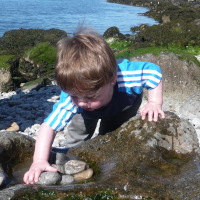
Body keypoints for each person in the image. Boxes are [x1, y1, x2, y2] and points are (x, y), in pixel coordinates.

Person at [23, 27, 165, 184]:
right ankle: (72, 159)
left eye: (90, 96)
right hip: (84, 115)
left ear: (112, 79)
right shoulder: (73, 101)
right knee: (78, 135)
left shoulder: (129, 76)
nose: (83, 102)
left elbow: (154, 73)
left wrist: (154, 102)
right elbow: (49, 126)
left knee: (111, 135)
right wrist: (39, 161)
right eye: (75, 95)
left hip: (124, 105)